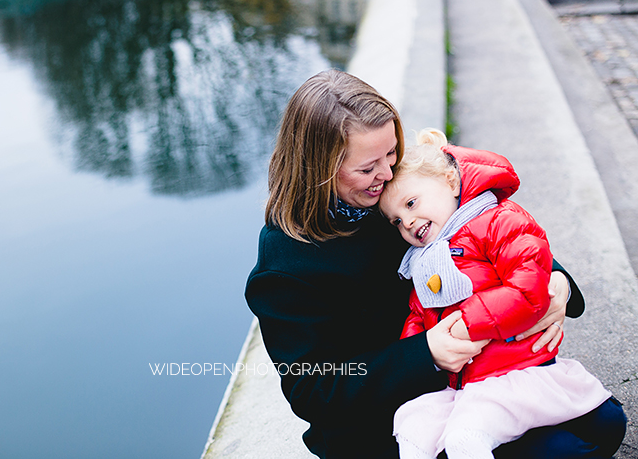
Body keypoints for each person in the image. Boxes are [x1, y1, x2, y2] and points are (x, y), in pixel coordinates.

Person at [245, 69, 626, 459]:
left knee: (605, 423)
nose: (387, 174)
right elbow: (314, 391)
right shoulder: (285, 267)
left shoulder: (391, 194)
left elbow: (482, 226)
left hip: (475, 382)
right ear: (320, 169)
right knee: (563, 448)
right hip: (384, 423)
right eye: (367, 168)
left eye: (391, 153)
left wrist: (557, 280)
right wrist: (426, 353)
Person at [378, 129, 614, 459]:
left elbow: (527, 283)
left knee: (465, 438)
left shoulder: (496, 219)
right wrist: (422, 352)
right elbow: (420, 313)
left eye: (411, 204)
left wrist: (466, 323)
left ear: (450, 180)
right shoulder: (425, 260)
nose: (407, 222)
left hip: (513, 371)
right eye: (396, 221)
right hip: (465, 383)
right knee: (413, 429)